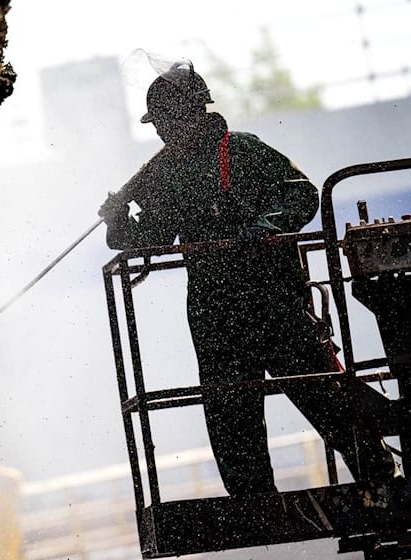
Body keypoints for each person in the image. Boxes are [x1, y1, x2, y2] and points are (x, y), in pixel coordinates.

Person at [98, 62, 395, 495]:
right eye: (159, 125)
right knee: (230, 413)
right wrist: (117, 219)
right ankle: (253, 503)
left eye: (170, 122)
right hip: (213, 310)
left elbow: (301, 192)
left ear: (197, 113)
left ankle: (379, 474)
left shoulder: (244, 151)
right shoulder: (163, 175)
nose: (164, 133)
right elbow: (152, 236)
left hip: (273, 299)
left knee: (319, 392)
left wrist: (266, 227)